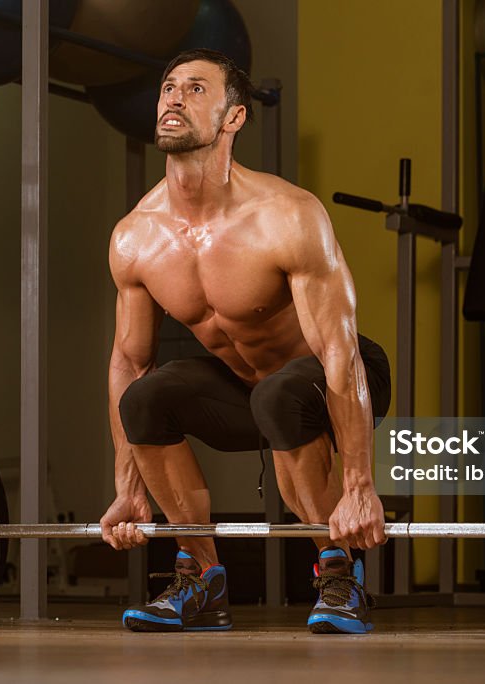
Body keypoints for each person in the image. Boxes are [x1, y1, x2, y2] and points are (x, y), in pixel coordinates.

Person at [99, 48, 391, 634]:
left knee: (279, 396)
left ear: (234, 118)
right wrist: (127, 487)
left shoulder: (287, 216)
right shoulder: (135, 237)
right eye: (168, 87)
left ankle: (339, 573)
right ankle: (202, 579)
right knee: (145, 398)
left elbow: (339, 353)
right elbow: (128, 362)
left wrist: (361, 485)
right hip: (245, 389)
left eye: (197, 89)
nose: (175, 97)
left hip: (336, 377)